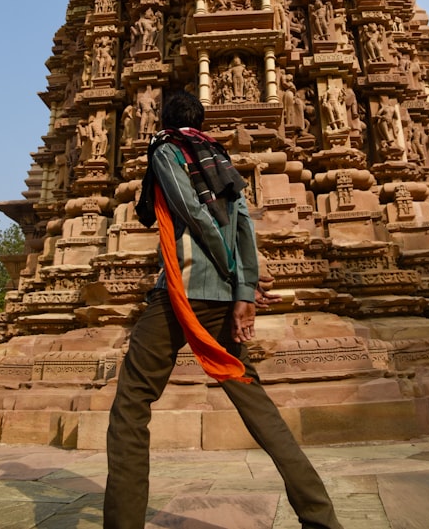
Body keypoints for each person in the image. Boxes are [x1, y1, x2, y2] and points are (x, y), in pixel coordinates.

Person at [103, 90, 343, 529]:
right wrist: (244, 291)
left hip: (180, 293)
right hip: (224, 301)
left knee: (131, 405)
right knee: (259, 407)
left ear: (165, 121)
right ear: (201, 120)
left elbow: (191, 212)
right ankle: (322, 520)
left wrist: (236, 277)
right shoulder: (218, 157)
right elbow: (245, 224)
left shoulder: (166, 149)